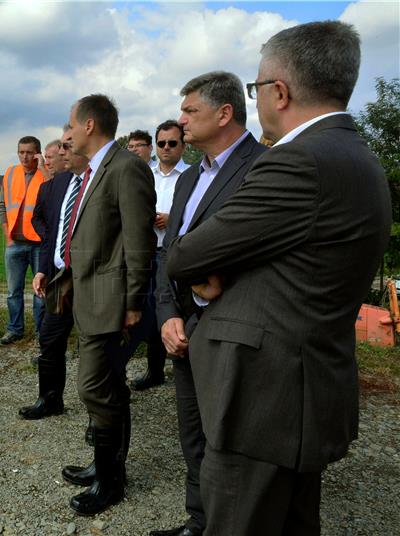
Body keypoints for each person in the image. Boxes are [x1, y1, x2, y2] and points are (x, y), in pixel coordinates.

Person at [166, 21, 391, 534]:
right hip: (304, 388)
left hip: (263, 400)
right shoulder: (356, 156)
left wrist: (206, 273)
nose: (259, 99)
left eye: (257, 88)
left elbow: (184, 256)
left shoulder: (295, 161)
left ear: (280, 92)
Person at [150, 71, 267, 536]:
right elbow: (168, 253)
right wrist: (168, 314)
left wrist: (201, 298)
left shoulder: (264, 168)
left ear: (224, 114)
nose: (181, 120)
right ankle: (198, 521)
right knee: (194, 436)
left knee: (232, 443)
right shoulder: (188, 179)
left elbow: (261, 259)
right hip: (183, 331)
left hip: (232, 330)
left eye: (190, 110)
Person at [56, 94, 155, 516]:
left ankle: (111, 480)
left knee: (94, 387)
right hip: (90, 296)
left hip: (112, 299)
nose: (68, 133)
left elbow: (139, 239)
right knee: (106, 384)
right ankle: (103, 467)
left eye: (71, 125)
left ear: (90, 125)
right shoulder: (99, 168)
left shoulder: (126, 167)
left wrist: (133, 301)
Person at [18, 130, 88, 420]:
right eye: (61, 148)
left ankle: (103, 414)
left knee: (96, 347)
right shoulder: (57, 184)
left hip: (91, 278)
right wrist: (44, 269)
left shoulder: (98, 181)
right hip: (61, 278)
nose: (59, 154)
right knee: (49, 337)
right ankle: (49, 400)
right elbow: (51, 234)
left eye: (66, 148)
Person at [132, 120, 189, 392]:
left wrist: (172, 218)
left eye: (172, 143)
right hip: (147, 252)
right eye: (161, 143)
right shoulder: (146, 174)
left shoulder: (192, 176)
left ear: (183, 145)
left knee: (179, 310)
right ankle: (154, 370)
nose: (166, 148)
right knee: (151, 313)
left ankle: (185, 371)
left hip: (178, 253)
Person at [0, 136, 47, 346]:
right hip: (15, 243)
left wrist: (44, 167)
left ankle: (40, 334)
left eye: (29, 152)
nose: (24, 156)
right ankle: (14, 329)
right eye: (21, 152)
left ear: (38, 153)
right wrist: (7, 236)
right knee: (13, 292)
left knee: (40, 292)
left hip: (38, 243)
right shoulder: (10, 173)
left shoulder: (46, 174)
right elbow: (2, 206)